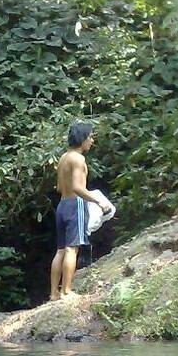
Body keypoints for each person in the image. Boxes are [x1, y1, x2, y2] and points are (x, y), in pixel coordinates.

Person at [50, 121, 114, 301]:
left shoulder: (64, 158)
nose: (92, 141)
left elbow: (59, 187)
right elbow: (78, 188)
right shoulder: (78, 159)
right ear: (83, 139)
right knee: (72, 249)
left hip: (62, 205)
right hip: (75, 204)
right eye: (90, 137)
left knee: (60, 250)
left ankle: (54, 293)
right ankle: (67, 292)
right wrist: (99, 202)